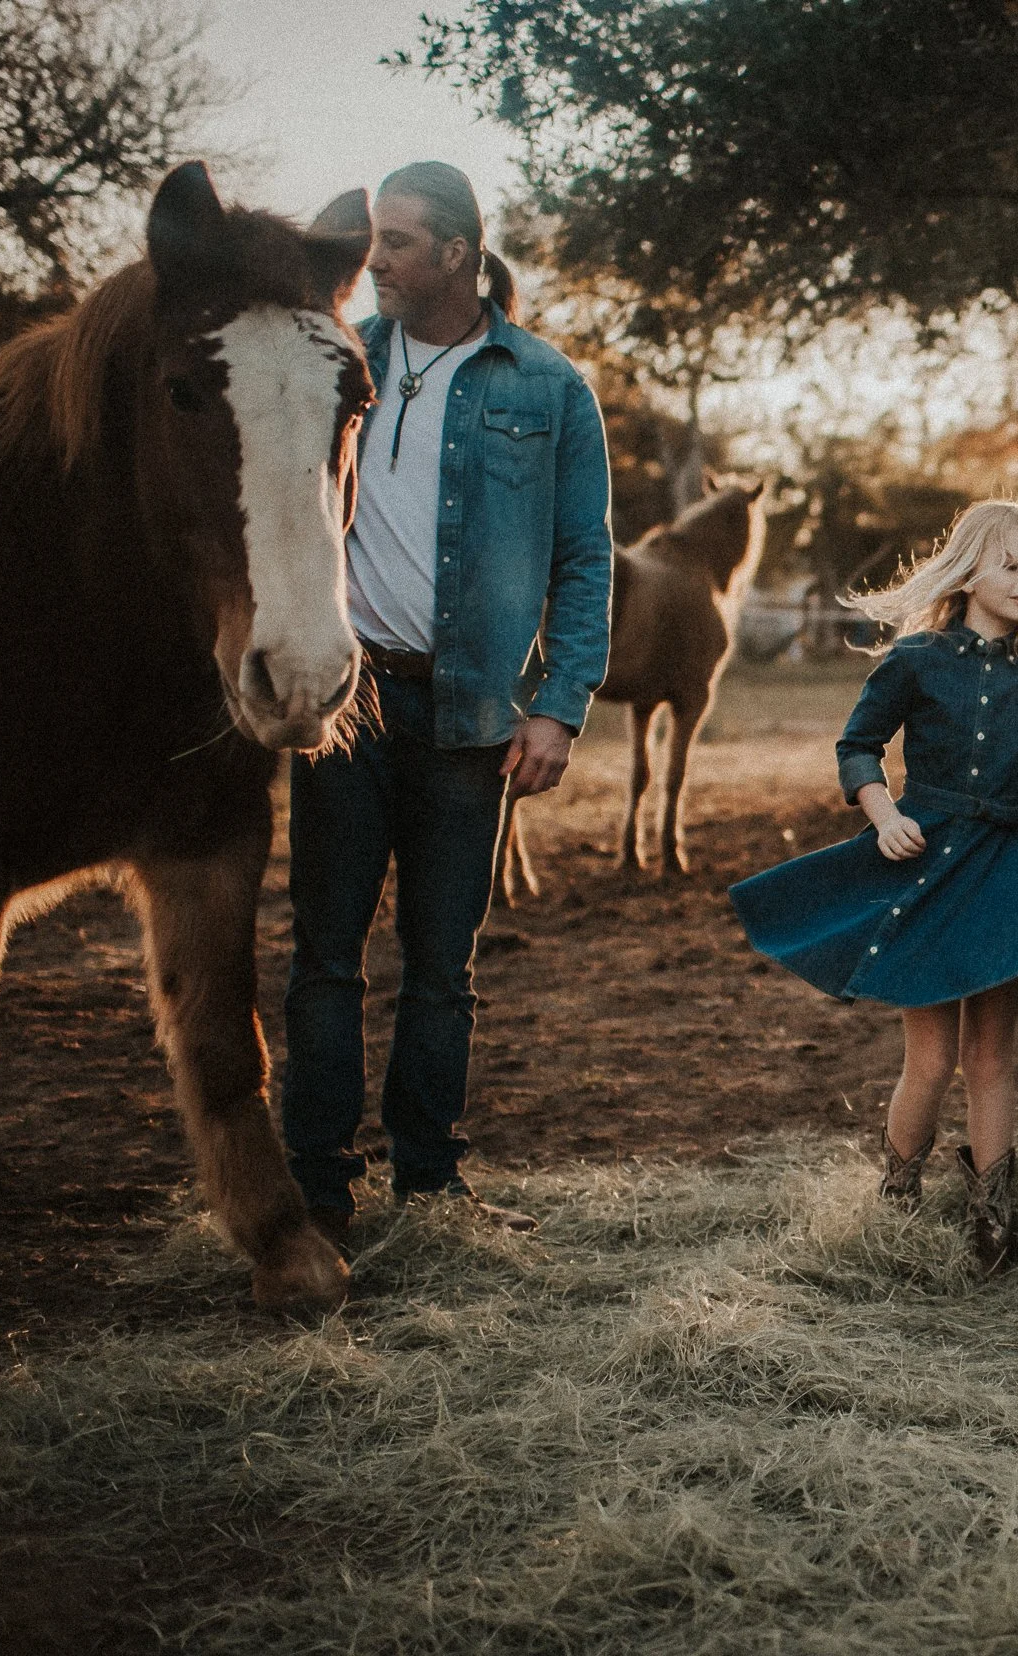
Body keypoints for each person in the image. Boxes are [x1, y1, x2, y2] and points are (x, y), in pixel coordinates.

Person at [727, 501, 1018, 1271]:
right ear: (970, 568)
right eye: (1011, 565)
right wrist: (882, 817)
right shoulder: (915, 660)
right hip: (923, 862)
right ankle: (898, 1205)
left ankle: (994, 1228)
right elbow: (858, 748)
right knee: (930, 1059)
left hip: (1009, 872)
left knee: (991, 1059)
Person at [282, 161, 613, 1242]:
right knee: (326, 960)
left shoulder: (546, 386)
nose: (374, 258)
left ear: (463, 254)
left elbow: (581, 557)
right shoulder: (342, 359)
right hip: (348, 708)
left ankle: (427, 1185)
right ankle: (317, 1191)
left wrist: (558, 703)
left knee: (441, 971)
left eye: (402, 241)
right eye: (374, 237)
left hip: (472, 720)